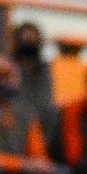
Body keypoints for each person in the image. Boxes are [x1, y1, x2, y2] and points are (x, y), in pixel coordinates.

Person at [10, 19, 61, 158]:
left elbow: (45, 103)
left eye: (33, 40)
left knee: (54, 113)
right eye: (25, 40)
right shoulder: (7, 68)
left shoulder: (46, 71)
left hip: (40, 125)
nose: (29, 45)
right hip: (12, 123)